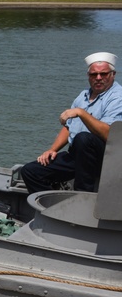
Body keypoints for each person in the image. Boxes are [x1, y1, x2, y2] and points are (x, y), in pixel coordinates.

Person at [20, 52, 122, 194]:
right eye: (94, 75)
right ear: (88, 76)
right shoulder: (83, 95)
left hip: (105, 159)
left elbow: (110, 135)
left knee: (84, 138)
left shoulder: (117, 97)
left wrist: (81, 113)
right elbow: (69, 127)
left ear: (113, 74)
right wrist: (52, 150)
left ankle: (82, 197)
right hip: (78, 155)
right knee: (30, 171)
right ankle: (54, 210)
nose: (98, 78)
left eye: (103, 74)